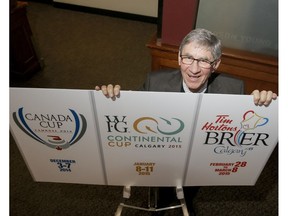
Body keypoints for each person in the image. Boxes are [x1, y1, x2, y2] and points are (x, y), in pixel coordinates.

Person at [95, 28, 277, 215]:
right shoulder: (155, 83)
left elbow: (246, 129)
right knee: (162, 191)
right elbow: (129, 113)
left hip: (201, 155)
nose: (194, 69)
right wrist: (110, 99)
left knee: (188, 189)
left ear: (216, 64)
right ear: (179, 58)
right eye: (188, 58)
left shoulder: (232, 88)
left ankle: (186, 192)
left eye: (204, 61)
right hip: (163, 152)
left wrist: (262, 104)